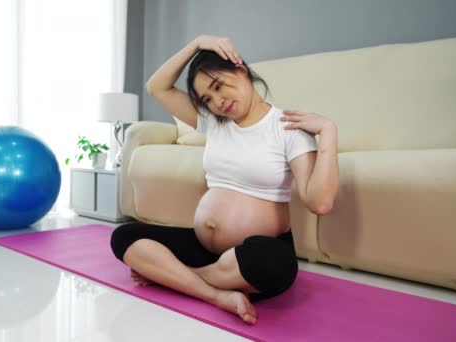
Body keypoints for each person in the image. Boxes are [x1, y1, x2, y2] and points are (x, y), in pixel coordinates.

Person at [110, 35, 339, 325]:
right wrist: (196, 44)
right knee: (125, 236)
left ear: (240, 69)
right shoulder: (213, 122)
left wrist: (328, 131)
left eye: (218, 86)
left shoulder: (288, 128)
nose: (217, 102)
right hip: (205, 249)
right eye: (207, 98)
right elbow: (157, 86)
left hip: (252, 254)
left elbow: (320, 202)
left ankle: (174, 276)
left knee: (271, 265)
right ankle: (216, 294)